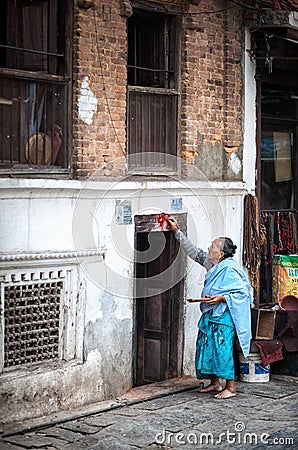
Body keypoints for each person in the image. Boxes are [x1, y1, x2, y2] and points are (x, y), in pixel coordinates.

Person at [166, 216, 253, 399]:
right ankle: (214, 383)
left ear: (221, 254)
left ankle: (230, 387)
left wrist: (222, 298)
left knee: (222, 350)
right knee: (205, 347)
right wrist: (176, 232)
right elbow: (194, 252)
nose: (209, 248)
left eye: (213, 247)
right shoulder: (212, 263)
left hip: (224, 316)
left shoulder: (230, 269)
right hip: (210, 314)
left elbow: (243, 293)